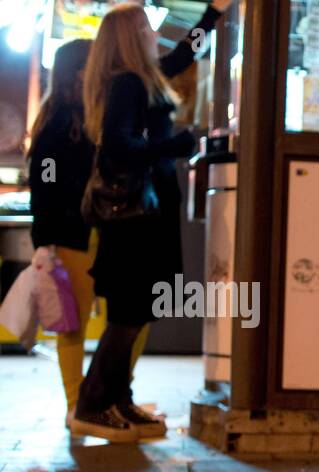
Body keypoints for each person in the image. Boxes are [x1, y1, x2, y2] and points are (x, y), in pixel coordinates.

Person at [72, 0, 230, 442]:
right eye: (144, 24)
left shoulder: (138, 78)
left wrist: (212, 15)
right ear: (128, 35)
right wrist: (175, 145)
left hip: (143, 218)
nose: (151, 29)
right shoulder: (126, 83)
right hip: (133, 222)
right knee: (127, 315)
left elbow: (184, 56)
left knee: (136, 313)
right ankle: (91, 403)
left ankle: (117, 399)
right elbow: (119, 148)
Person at [27, 38, 150, 425]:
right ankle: (77, 402)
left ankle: (107, 392)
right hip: (71, 234)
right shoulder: (59, 125)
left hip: (103, 231)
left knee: (131, 313)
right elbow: (44, 180)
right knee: (73, 322)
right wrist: (45, 240)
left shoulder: (102, 116)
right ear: (80, 71)